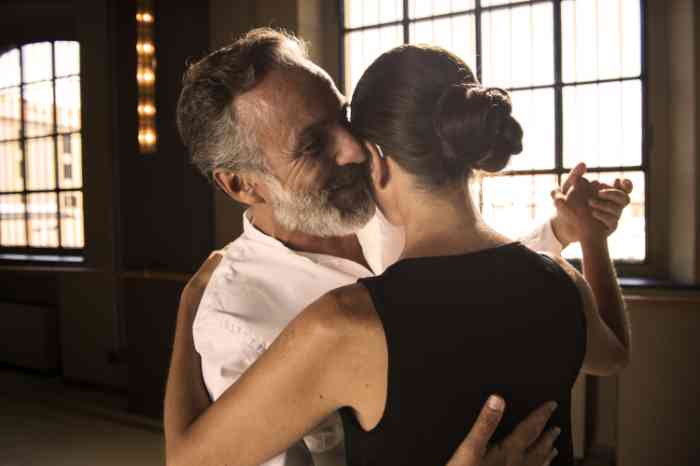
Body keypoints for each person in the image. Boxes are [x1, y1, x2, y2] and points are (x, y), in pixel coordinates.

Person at [165, 29, 632, 466]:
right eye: (312, 145)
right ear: (241, 184)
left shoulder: (373, 230)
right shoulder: (233, 318)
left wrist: (566, 230)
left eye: (343, 116)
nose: (352, 149)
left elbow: (471, 285)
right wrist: (190, 311)